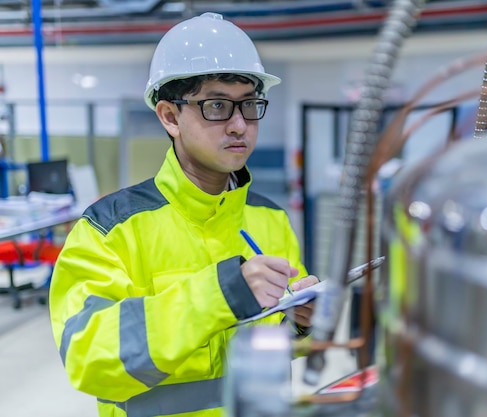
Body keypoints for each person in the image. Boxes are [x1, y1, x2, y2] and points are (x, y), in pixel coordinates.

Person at [49, 12, 318, 417]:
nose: (239, 125)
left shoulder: (269, 217)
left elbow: (273, 355)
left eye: (249, 104)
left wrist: (300, 324)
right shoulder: (109, 229)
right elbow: (90, 358)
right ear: (170, 117)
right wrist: (220, 294)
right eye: (217, 106)